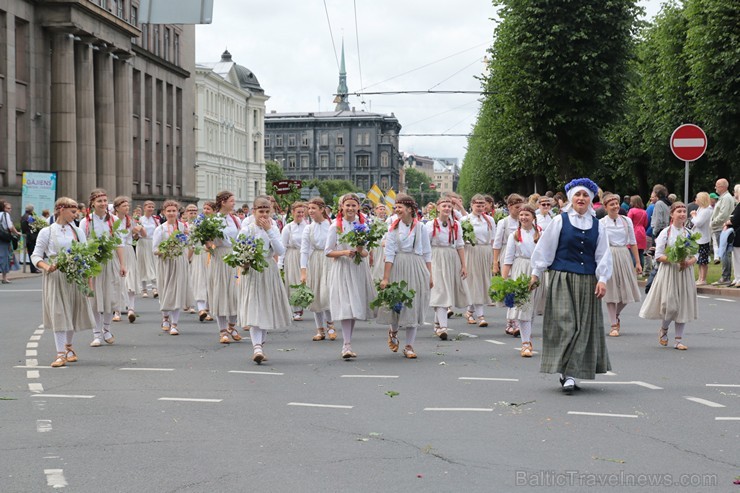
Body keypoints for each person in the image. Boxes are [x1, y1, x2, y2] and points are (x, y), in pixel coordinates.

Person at [530, 178, 613, 393]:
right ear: (570, 198)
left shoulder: (598, 225)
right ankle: (564, 371)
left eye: (585, 195)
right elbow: (544, 249)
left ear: (591, 199)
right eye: (578, 195)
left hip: (587, 280)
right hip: (562, 278)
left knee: (583, 328)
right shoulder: (560, 221)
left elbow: (603, 254)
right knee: (566, 325)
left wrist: (602, 279)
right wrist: (536, 273)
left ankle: (572, 373)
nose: (581, 199)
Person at [31, 198, 96, 367]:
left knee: (72, 312)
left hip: (75, 275)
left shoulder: (77, 231)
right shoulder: (47, 231)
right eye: (73, 211)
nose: (76, 214)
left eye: (76, 211)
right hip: (56, 276)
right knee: (59, 313)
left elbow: (86, 257)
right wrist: (46, 266)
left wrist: (89, 283)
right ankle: (60, 354)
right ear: (61, 209)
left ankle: (68, 347)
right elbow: (36, 255)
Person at [238, 197, 293, 363]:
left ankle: (260, 344)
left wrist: (269, 230)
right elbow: (238, 252)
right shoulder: (247, 229)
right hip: (253, 270)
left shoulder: (273, 228)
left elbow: (280, 250)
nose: (264, 215)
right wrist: (245, 262)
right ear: (254, 212)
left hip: (269, 268)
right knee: (255, 305)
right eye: (260, 211)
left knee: (266, 306)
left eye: (267, 212)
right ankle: (257, 348)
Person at [379, 194, 432, 359]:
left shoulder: (421, 228)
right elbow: (389, 254)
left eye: (400, 207)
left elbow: (427, 252)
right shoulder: (393, 229)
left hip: (416, 267)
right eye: (395, 208)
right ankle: (393, 331)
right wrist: (386, 278)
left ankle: (409, 346)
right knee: (397, 303)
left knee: (413, 306)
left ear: (410, 209)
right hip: (398, 266)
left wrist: (429, 275)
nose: (397, 210)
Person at [639, 202, 698, 350]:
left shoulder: (689, 233)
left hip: (684, 272)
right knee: (669, 304)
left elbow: (696, 253)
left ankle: (678, 340)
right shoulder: (665, 232)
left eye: (684, 211)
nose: (683, 214)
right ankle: (664, 328)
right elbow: (658, 255)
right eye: (679, 211)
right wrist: (674, 259)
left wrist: (689, 262)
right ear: (672, 214)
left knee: (682, 305)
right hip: (669, 272)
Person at [324, 193, 376, 359]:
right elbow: (328, 251)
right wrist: (345, 252)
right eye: (347, 205)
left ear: (358, 207)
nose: (351, 208)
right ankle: (346, 345)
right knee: (346, 306)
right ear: (341, 207)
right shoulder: (335, 226)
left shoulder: (364, 226)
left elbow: (367, 252)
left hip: (358, 268)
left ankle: (348, 342)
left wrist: (361, 250)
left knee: (354, 307)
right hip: (343, 268)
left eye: (354, 205)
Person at [79, 189, 127, 347]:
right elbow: (82, 244)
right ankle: (96, 334)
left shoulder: (113, 220)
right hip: (93, 262)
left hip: (110, 261)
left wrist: (122, 264)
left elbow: (119, 243)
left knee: (109, 297)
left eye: (105, 201)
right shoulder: (86, 221)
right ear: (92, 203)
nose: (103, 204)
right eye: (100, 201)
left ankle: (107, 329)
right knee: (94, 299)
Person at [425, 196, 469, 341]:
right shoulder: (430, 225)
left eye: (449, 206)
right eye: (444, 206)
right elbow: (425, 246)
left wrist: (463, 265)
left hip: (451, 257)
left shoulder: (456, 225)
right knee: (440, 290)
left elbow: (460, 245)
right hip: (436, 257)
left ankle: (438, 324)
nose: (446, 209)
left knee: (445, 291)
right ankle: (443, 326)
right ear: (438, 208)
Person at [502, 204, 543, 357]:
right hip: (520, 269)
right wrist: (504, 279)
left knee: (532, 308)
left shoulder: (540, 233)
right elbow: (508, 259)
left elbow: (545, 254)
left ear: (533, 217)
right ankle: (525, 343)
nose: (524, 218)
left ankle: (528, 338)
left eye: (527, 215)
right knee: (523, 307)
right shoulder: (514, 235)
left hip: (537, 269)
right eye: (521, 215)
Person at [600, 193, 642, 337]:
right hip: (609, 255)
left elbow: (633, 242)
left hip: (624, 254)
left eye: (617, 204)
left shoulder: (626, 221)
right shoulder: (602, 223)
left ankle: (616, 314)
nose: (616, 206)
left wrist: (637, 262)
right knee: (611, 291)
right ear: (606, 207)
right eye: (612, 204)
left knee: (627, 290)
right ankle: (613, 324)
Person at [207, 190, 242, 344]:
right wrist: (211, 248)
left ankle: (232, 326)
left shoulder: (235, 220)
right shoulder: (213, 220)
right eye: (232, 201)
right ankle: (222, 331)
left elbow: (241, 237)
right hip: (220, 256)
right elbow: (206, 239)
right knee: (221, 293)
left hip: (234, 256)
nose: (234, 204)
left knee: (235, 293)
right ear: (223, 202)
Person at [152, 200, 192, 336]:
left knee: (177, 291)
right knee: (165, 291)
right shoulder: (160, 229)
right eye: (168, 211)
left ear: (178, 212)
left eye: (173, 211)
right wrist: (166, 251)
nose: (171, 213)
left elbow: (189, 244)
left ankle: (175, 324)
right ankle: (165, 317)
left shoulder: (183, 227)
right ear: (164, 212)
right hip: (165, 262)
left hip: (179, 261)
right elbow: (155, 249)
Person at [300, 197, 336, 341]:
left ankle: (331, 325)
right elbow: (304, 250)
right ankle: (319, 329)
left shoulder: (332, 225)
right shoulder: (308, 228)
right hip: (315, 260)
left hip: (330, 259)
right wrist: (303, 270)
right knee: (315, 295)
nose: (310, 211)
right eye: (309, 209)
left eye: (313, 208)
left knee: (326, 293)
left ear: (322, 209)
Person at [463, 194, 496, 327]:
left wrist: (494, 258)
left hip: (485, 251)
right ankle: (480, 315)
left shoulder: (489, 220)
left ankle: (470, 311)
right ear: (472, 205)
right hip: (471, 251)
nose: (480, 208)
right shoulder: (465, 220)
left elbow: (493, 239)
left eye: (482, 205)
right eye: (477, 205)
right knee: (474, 282)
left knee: (483, 282)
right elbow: (461, 240)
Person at [494, 194, 525, 334]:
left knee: (518, 289)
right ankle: (511, 321)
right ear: (510, 207)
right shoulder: (504, 223)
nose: (520, 210)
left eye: (522, 207)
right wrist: (495, 263)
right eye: (517, 207)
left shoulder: (524, 221)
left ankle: (515, 321)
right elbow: (497, 244)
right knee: (510, 289)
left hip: (520, 256)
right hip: (507, 255)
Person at [113, 196, 141, 323]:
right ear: (117, 208)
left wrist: (137, 232)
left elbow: (136, 237)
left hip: (128, 250)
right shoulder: (112, 220)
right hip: (116, 251)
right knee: (118, 280)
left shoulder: (131, 221)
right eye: (124, 206)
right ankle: (117, 310)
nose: (127, 208)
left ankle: (131, 309)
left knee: (130, 280)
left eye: (128, 206)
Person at [279, 202, 308, 321]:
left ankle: (302, 305)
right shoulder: (288, 228)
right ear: (292, 213)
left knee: (303, 281)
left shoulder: (307, 226)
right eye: (298, 212)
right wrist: (280, 263)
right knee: (293, 281)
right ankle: (296, 309)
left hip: (305, 255)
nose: (300, 214)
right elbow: (283, 246)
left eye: (302, 212)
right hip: (292, 256)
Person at [191, 202, 215, 322]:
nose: (205, 210)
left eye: (209, 209)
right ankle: (201, 309)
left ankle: (208, 309)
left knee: (210, 282)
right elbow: (193, 240)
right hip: (200, 254)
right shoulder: (198, 223)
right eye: (204, 208)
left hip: (213, 255)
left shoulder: (217, 223)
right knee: (200, 280)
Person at [711, 178, 734, 285]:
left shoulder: (726, 198)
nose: (715, 187)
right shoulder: (724, 197)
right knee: (724, 253)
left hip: (721, 228)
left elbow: (723, 214)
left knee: (724, 253)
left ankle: (725, 277)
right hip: (720, 227)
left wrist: (713, 223)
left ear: (722, 187)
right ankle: (725, 276)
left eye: (717, 185)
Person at [136, 200, 159, 298]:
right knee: (143, 265)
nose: (150, 209)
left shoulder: (156, 220)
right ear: (144, 208)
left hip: (152, 242)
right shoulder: (140, 219)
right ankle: (144, 289)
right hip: (142, 242)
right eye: (149, 207)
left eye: (152, 207)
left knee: (154, 264)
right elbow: (136, 233)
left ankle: (155, 288)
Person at [690, 192, 713, 285]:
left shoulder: (707, 210)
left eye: (697, 198)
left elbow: (698, 223)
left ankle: (703, 279)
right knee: (699, 259)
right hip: (698, 237)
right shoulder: (701, 209)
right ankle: (700, 278)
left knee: (703, 260)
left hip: (703, 238)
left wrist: (693, 216)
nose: (696, 199)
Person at [0, 200, 20, 283]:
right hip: (4, 238)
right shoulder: (5, 215)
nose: (9, 210)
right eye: (7, 207)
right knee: (5, 257)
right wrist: (17, 233)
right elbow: (10, 227)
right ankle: (4, 278)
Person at [627, 195, 648, 271]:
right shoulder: (644, 212)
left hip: (634, 230)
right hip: (642, 231)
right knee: (640, 252)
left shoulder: (632, 211)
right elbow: (646, 223)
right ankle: (641, 268)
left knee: (632, 252)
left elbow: (628, 221)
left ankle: (633, 268)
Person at [727, 184, 740, 288]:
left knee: (738, 257)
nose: (734, 194)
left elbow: (735, 220)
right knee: (736, 257)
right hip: (737, 235)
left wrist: (728, 222)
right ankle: (736, 277)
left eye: (735, 192)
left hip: (738, 235)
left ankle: (738, 278)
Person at [21, 204, 40, 274]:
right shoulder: (29, 217)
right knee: (33, 253)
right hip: (31, 238)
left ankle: (33, 268)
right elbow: (33, 226)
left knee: (30, 253)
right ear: (31, 210)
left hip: (27, 238)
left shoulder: (23, 216)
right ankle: (33, 269)